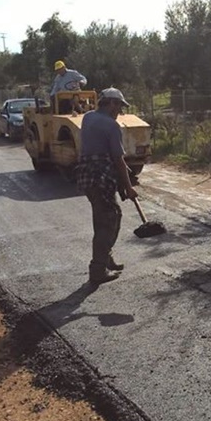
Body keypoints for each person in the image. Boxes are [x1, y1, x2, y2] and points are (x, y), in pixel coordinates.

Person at [75, 87, 139, 284]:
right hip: (101, 177)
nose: (119, 110)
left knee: (104, 216)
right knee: (108, 221)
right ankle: (98, 269)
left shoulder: (87, 118)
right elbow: (118, 160)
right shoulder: (112, 126)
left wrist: (124, 173)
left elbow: (104, 152)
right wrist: (128, 187)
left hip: (86, 176)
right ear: (111, 103)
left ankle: (105, 257)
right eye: (119, 105)